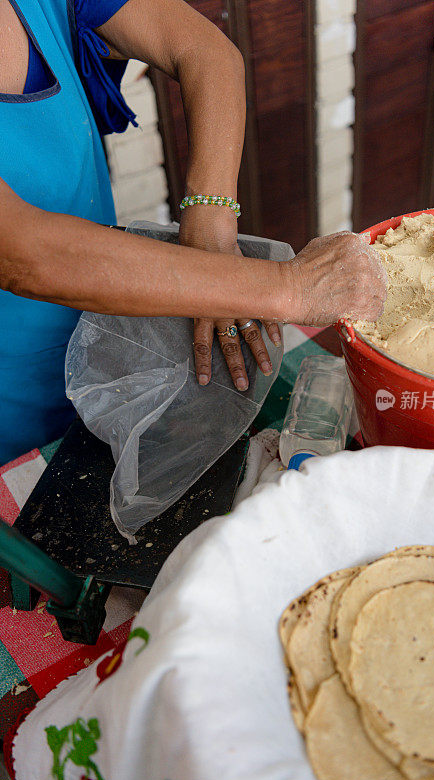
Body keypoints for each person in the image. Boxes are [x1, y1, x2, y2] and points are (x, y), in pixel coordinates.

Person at [0, 0, 386, 466]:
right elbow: (22, 254)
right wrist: (290, 288)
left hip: (99, 334)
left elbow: (205, 50)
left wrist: (209, 222)